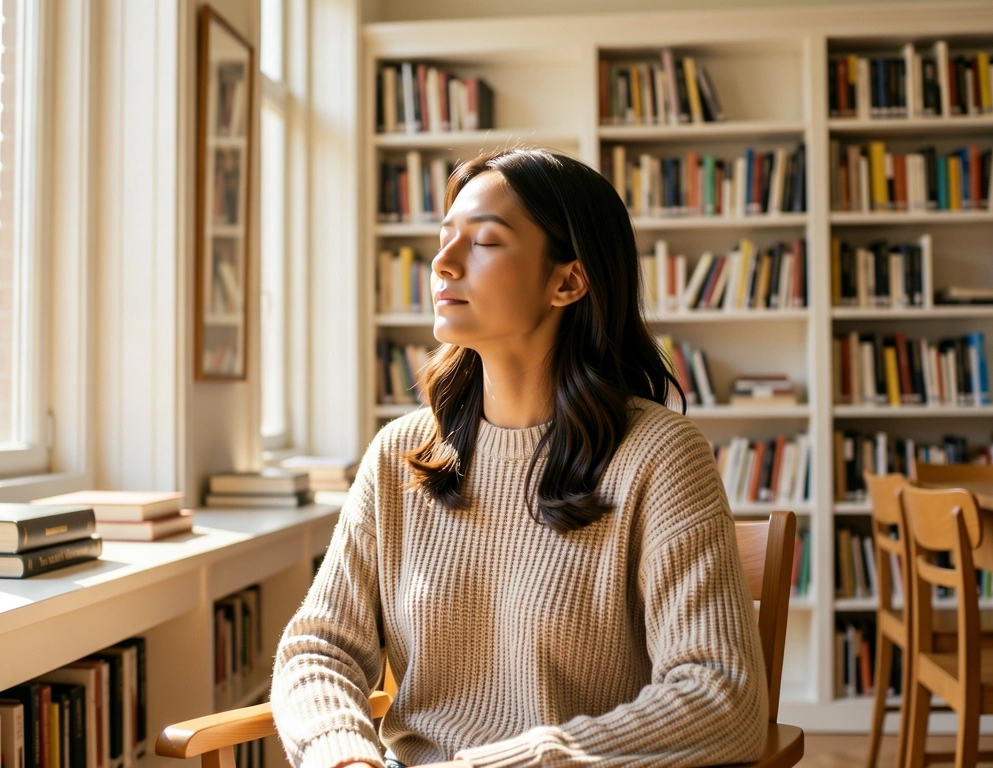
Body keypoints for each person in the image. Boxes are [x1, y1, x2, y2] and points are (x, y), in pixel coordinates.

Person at [271, 147, 769, 768]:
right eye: (445, 238)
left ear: (568, 280)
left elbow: (722, 697)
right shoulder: (401, 453)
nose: (443, 264)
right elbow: (319, 649)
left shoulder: (659, 457)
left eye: (484, 242)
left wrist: (516, 763)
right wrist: (342, 754)